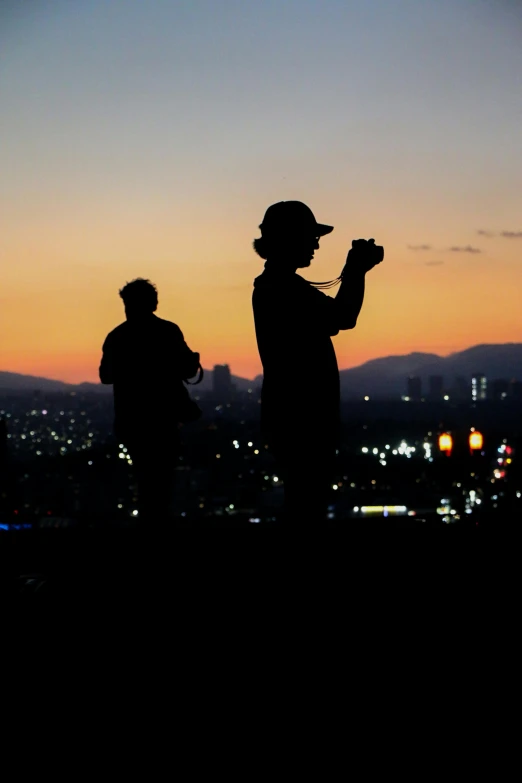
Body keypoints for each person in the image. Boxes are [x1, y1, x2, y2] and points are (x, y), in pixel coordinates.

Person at [252, 201, 384, 525]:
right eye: (310, 237)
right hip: (302, 418)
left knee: (302, 498)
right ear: (289, 240)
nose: (315, 244)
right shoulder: (283, 289)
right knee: (305, 503)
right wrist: (355, 271)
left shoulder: (277, 286)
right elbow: (344, 316)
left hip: (290, 415)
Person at [99, 278, 201, 526]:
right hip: (164, 418)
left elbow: (106, 376)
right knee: (162, 480)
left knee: (145, 480)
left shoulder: (117, 336)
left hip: (132, 420)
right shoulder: (167, 331)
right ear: (154, 303)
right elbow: (188, 370)